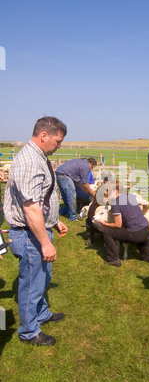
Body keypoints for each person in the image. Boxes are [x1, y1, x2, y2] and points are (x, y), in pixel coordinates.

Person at [3, 116, 68, 346]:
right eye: (58, 141)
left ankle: (41, 314)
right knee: (32, 283)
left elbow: (41, 199)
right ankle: (29, 331)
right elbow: (30, 208)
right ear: (44, 136)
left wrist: (53, 221)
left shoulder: (37, 156)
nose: (59, 146)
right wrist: (45, 242)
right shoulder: (30, 161)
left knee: (42, 279)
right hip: (29, 235)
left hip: (37, 231)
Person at [92, 181, 149, 267]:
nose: (106, 193)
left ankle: (113, 260)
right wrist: (143, 213)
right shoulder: (130, 196)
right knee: (147, 257)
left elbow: (118, 225)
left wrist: (105, 224)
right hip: (146, 231)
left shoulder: (115, 203)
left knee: (107, 232)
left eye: (108, 191)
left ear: (116, 191)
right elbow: (147, 204)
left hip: (135, 234)